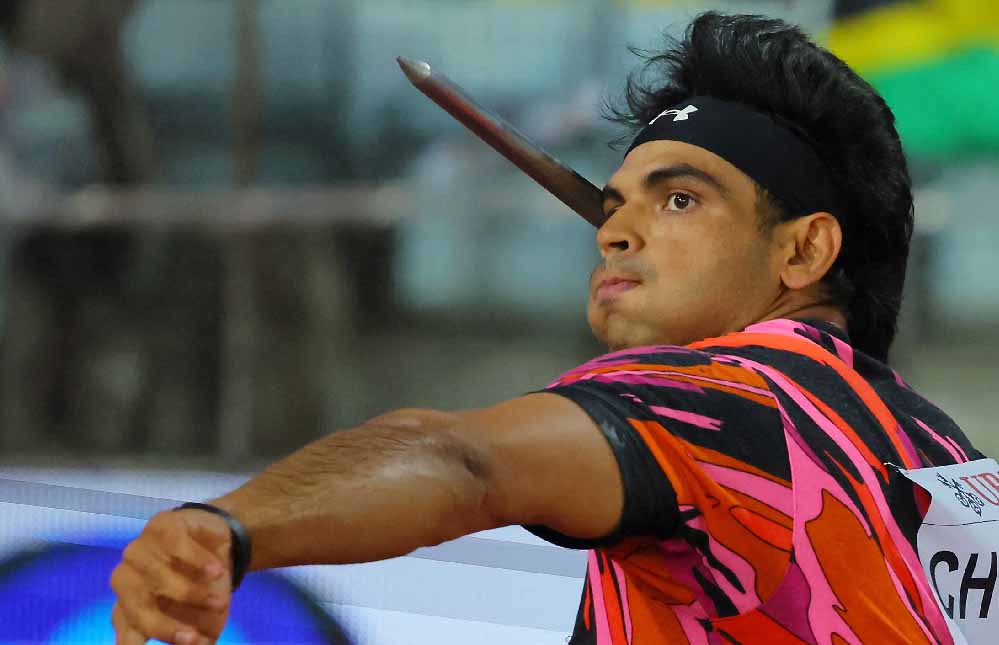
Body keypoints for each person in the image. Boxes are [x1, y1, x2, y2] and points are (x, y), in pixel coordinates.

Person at [110, 12, 982, 645]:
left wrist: (229, 527)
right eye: (615, 204)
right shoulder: (943, 454)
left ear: (803, 251)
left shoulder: (720, 399)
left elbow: (465, 462)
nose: (615, 232)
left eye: (680, 199)